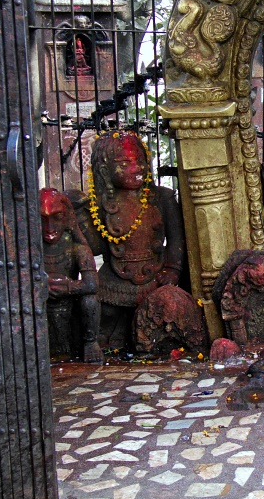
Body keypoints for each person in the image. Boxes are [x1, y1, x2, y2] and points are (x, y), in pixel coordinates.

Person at [72, 130, 185, 348]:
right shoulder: (99, 204)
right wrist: (80, 216)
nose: (136, 169)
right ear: (104, 170)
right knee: (101, 313)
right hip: (114, 280)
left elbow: (176, 239)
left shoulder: (162, 198)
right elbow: (96, 248)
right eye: (124, 164)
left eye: (139, 161)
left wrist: (173, 269)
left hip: (155, 276)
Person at [41, 188, 103, 363]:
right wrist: (41, 285)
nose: (50, 228)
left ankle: (90, 342)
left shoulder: (77, 247)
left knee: (90, 300)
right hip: (42, 304)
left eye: (57, 217)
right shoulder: (32, 249)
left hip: (69, 304)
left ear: (67, 217)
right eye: (42, 219)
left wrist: (67, 286)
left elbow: (92, 284)